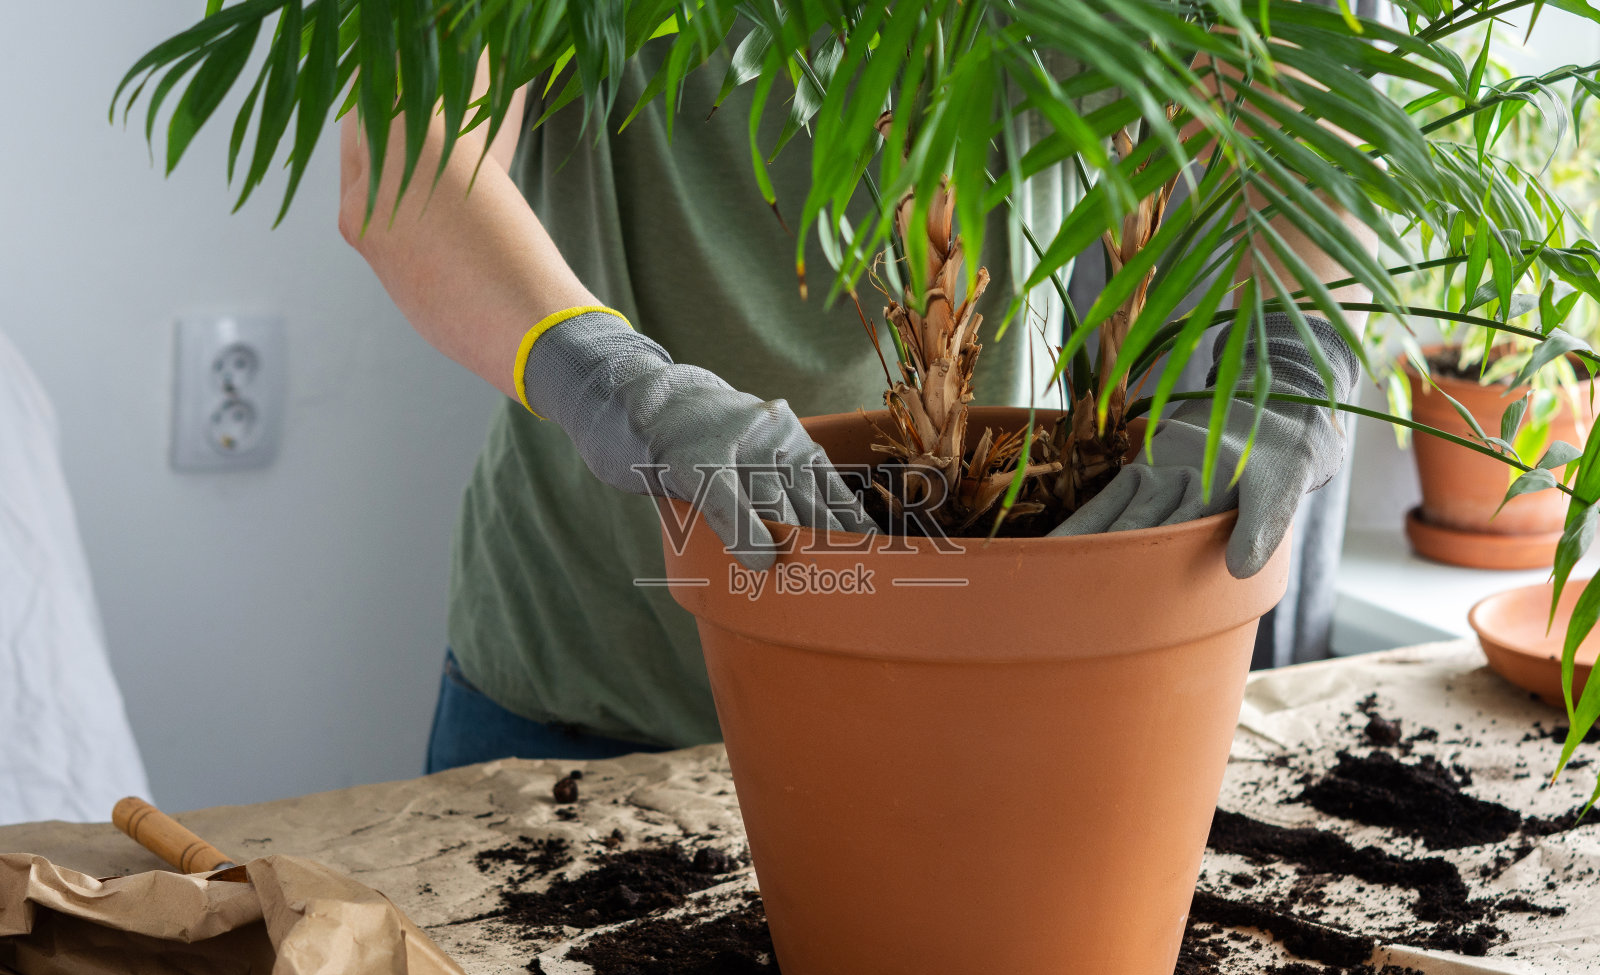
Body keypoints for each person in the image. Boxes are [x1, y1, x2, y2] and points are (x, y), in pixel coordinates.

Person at [340, 36, 1371, 774]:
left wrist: (1288, 348)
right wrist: (615, 383)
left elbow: (1294, 115)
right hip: (596, 688)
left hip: (976, 681)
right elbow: (404, 166)